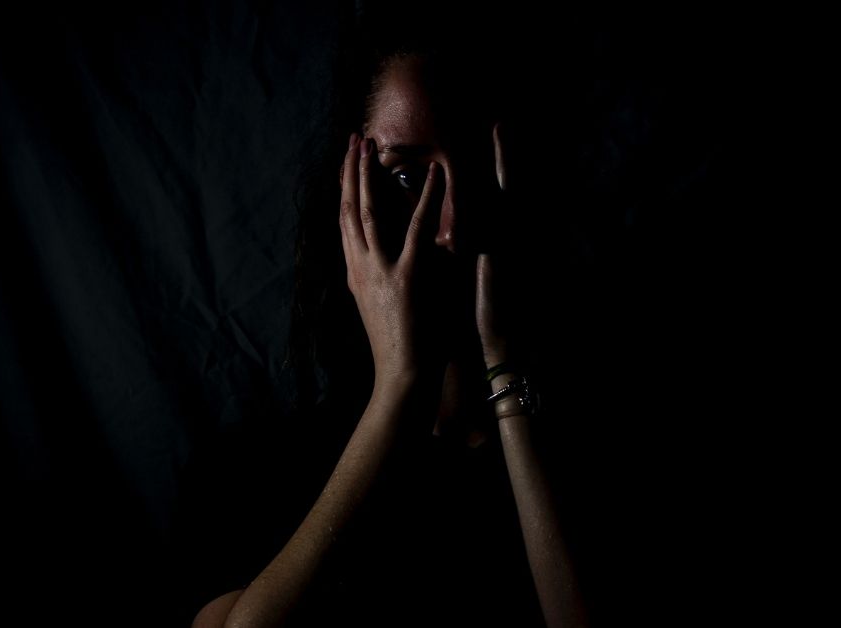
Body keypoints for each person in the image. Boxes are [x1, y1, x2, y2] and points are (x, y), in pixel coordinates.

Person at [187, 8, 590, 628]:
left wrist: (503, 355)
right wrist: (399, 390)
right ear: (348, 202)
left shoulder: (601, 446)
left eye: (479, 171)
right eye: (407, 176)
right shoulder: (264, 471)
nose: (452, 227)